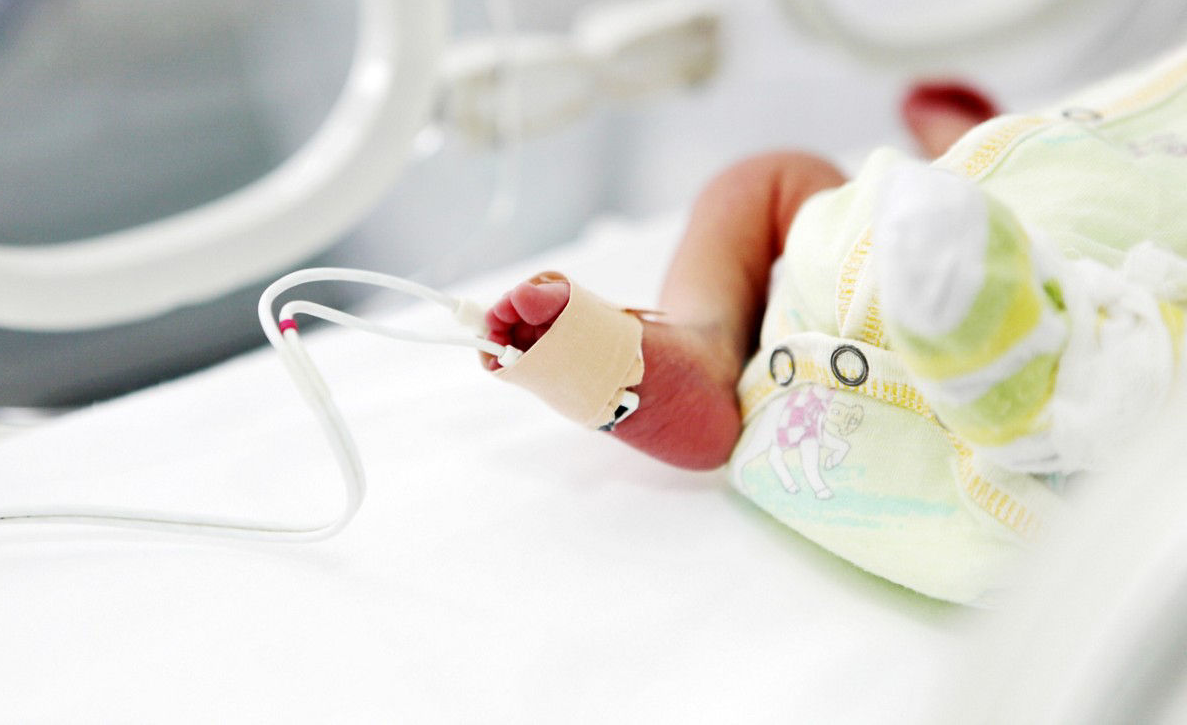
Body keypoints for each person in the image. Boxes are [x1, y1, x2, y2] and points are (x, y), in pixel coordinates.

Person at [484, 47, 1187, 604]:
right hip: (952, 336)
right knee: (781, 179)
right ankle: (708, 338)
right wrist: (963, 138)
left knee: (768, 187)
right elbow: (1000, 189)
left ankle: (709, 332)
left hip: (1020, 361)